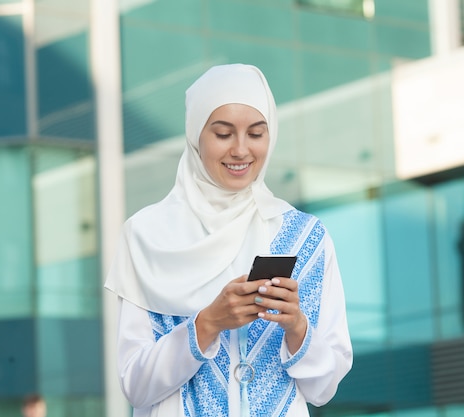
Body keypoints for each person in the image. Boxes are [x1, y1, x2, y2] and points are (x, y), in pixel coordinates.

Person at [105, 63, 352, 416]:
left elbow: (324, 389)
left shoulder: (304, 237)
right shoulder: (147, 234)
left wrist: (296, 326)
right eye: (223, 134)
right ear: (196, 136)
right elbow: (136, 385)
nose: (240, 150)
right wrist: (208, 323)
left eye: (256, 133)